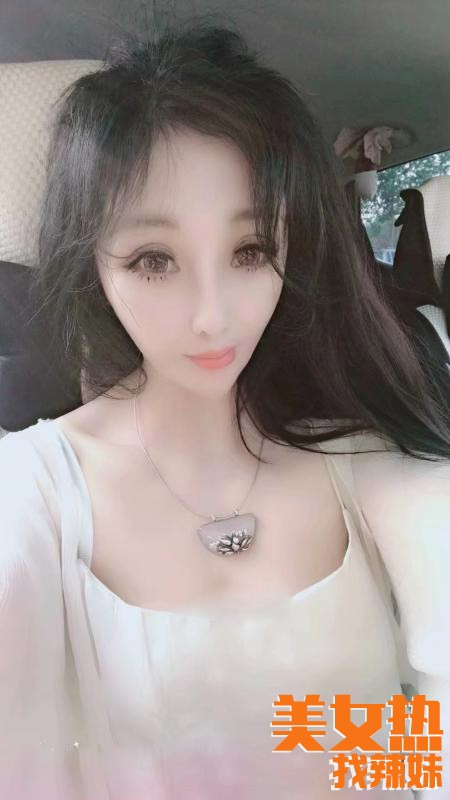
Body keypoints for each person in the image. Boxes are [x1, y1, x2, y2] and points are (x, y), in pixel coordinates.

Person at [1, 12, 449, 800]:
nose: (212, 317)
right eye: (154, 259)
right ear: (93, 263)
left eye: (250, 251)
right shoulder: (32, 494)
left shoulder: (369, 465)